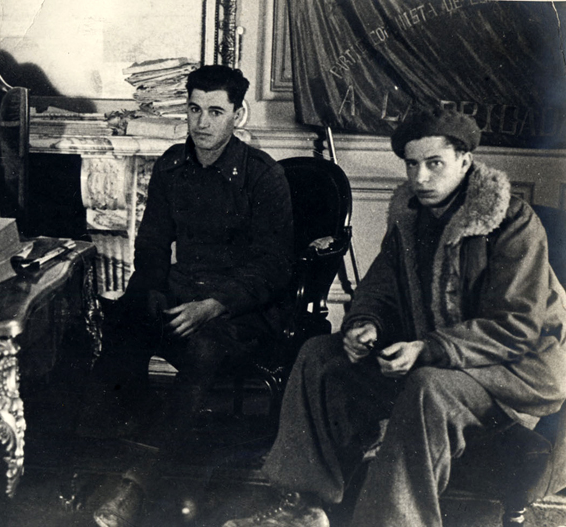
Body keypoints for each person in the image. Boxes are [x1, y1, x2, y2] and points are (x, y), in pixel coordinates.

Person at [222, 107, 566, 527]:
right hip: (435, 356)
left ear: (465, 161)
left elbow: (518, 326)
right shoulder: (409, 216)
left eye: (434, 163)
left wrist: (428, 348)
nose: (420, 177)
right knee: (319, 356)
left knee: (427, 387)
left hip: (512, 372)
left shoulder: (512, 221)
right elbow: (380, 287)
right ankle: (305, 507)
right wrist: (365, 324)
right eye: (412, 164)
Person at [83, 65, 294, 527]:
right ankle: (107, 456)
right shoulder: (172, 165)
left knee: (202, 350)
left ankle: (136, 481)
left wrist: (213, 306)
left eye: (215, 112)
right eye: (194, 110)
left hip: (241, 312)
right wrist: (149, 295)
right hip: (182, 296)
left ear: (237, 115)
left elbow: (273, 267)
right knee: (119, 323)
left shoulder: (264, 175)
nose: (201, 123)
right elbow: (152, 245)